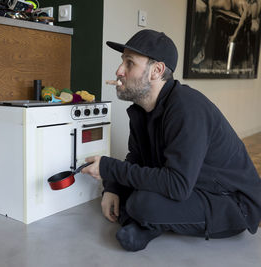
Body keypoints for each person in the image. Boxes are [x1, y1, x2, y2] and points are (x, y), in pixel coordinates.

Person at [81, 29, 261, 252]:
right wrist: (113, 188)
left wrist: (109, 169)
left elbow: (177, 185)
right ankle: (145, 224)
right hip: (190, 186)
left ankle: (143, 223)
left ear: (156, 71)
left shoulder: (187, 108)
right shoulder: (141, 110)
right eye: (122, 62)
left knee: (141, 202)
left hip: (231, 203)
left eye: (129, 63)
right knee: (131, 190)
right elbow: (136, 159)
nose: (119, 71)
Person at [193, 0, 261, 65]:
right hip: (230, 2)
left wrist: (234, 37)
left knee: (210, 3)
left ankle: (202, 49)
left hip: (230, 5)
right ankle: (201, 47)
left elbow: (241, 24)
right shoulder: (248, 6)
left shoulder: (247, 8)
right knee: (210, 4)